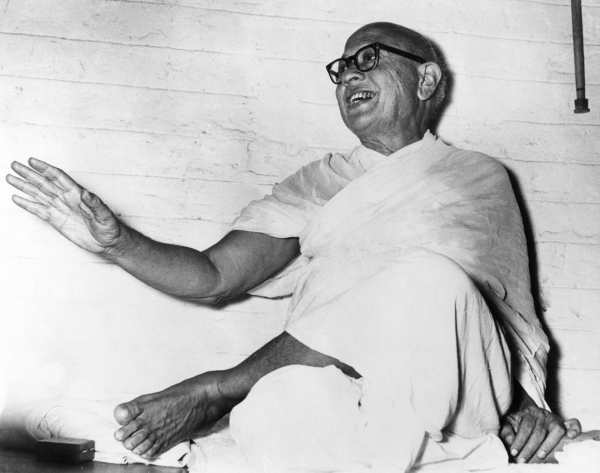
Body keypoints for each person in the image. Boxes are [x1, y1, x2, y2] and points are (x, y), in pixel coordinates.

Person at [6, 21, 596, 470]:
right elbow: (213, 276)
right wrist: (116, 243)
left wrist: (527, 406)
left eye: (369, 59)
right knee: (277, 402)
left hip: (451, 394)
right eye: (341, 70)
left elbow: (507, 318)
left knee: (425, 278)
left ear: (426, 80)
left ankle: (218, 389)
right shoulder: (318, 183)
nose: (350, 77)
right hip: (353, 396)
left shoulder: (478, 177)